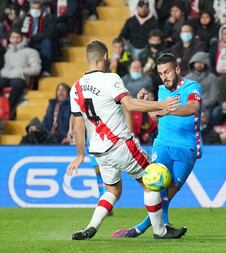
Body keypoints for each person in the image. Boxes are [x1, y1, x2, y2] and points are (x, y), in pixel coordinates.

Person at [66, 40, 186, 240]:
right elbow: (129, 105)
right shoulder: (110, 79)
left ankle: (91, 226)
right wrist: (161, 104)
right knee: (152, 180)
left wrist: (80, 154)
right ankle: (160, 231)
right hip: (120, 144)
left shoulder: (75, 88)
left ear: (87, 59)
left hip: (98, 151)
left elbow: (78, 125)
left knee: (112, 190)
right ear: (105, 57)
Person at [112, 53, 203, 238]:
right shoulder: (161, 90)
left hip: (186, 147)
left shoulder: (192, 87)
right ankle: (161, 228)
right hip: (162, 145)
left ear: (177, 69)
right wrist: (148, 104)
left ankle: (141, 228)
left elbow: (193, 107)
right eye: (161, 73)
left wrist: (169, 109)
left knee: (167, 194)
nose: (165, 76)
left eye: (167, 71)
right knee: (156, 184)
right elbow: (155, 116)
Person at [0, 30, 41, 119]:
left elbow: (36, 69)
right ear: (10, 39)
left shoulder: (31, 51)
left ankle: (8, 111)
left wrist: (22, 72)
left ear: (22, 38)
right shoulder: (7, 53)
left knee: (17, 85)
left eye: (18, 37)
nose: (15, 40)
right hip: (5, 76)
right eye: (13, 37)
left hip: (20, 77)